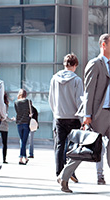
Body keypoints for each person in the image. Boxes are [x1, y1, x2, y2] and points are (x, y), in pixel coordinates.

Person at [58, 34, 110, 192]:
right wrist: (87, 115)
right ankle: (64, 176)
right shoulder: (95, 64)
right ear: (103, 45)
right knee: (87, 147)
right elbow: (88, 92)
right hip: (98, 114)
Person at [49, 53, 83, 189]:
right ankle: (69, 172)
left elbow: (51, 99)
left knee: (59, 146)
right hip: (74, 117)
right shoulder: (77, 80)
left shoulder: (54, 79)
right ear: (75, 65)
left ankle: (59, 173)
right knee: (74, 147)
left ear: (64, 64)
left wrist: (56, 112)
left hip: (59, 117)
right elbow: (79, 101)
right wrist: (82, 119)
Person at [14, 89, 32, 165]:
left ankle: (25, 158)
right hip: (26, 123)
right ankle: (21, 158)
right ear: (25, 94)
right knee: (24, 141)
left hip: (19, 123)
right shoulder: (28, 101)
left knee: (22, 141)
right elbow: (30, 111)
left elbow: (17, 112)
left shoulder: (16, 102)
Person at [0, 92, 11, 164]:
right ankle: (4, 159)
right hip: (4, 126)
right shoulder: (5, 104)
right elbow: (5, 116)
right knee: (4, 143)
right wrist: (11, 120)